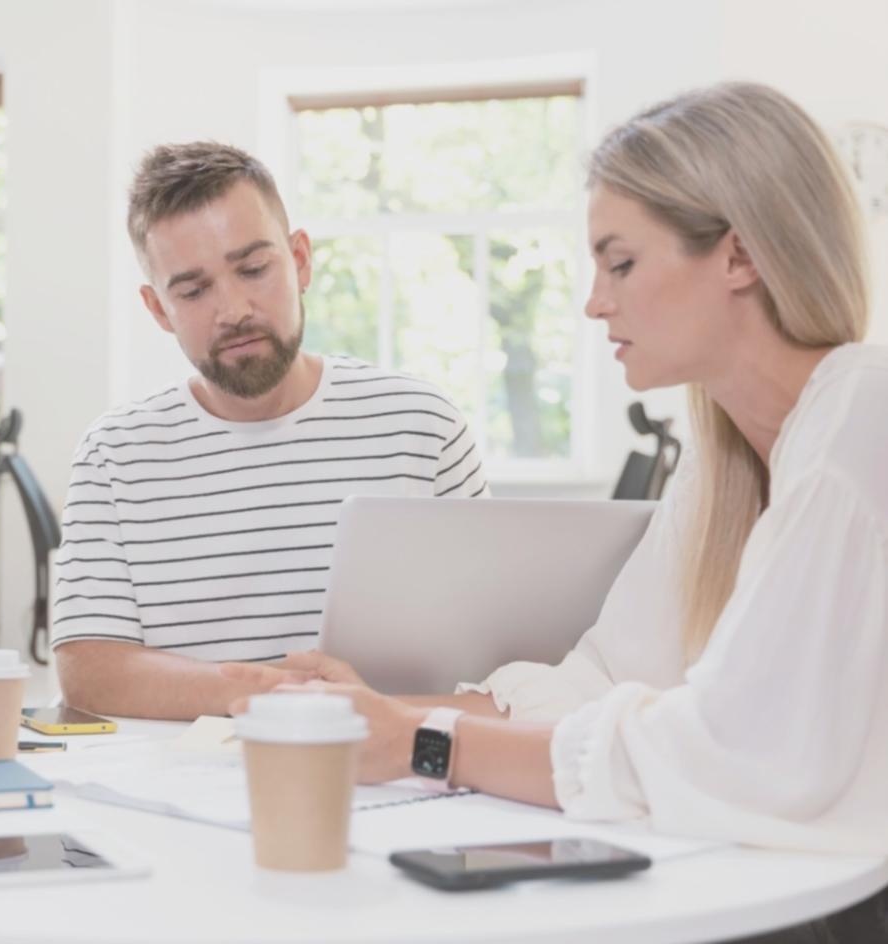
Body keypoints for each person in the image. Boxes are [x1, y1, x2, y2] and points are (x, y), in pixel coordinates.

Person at [230, 82, 887, 866]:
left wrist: (423, 742)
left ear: (739, 254)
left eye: (620, 262)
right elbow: (601, 680)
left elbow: (729, 753)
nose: (592, 304)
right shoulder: (723, 475)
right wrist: (373, 712)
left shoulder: (857, 426)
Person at [52, 142, 489, 721]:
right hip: (184, 793)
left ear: (300, 260)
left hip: (388, 776)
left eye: (254, 269)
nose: (233, 309)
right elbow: (89, 671)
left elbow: (492, 658)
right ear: (158, 310)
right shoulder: (115, 454)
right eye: (193, 289)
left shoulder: (423, 426)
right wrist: (271, 696)